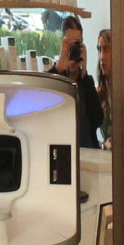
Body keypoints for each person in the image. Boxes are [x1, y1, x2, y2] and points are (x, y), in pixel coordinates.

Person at [51, 19, 104, 149]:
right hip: (62, 151)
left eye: (78, 43)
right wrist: (58, 69)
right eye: (70, 43)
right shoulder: (54, 79)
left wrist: (84, 73)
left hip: (88, 152)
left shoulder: (86, 81)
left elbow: (98, 120)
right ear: (63, 44)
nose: (74, 48)